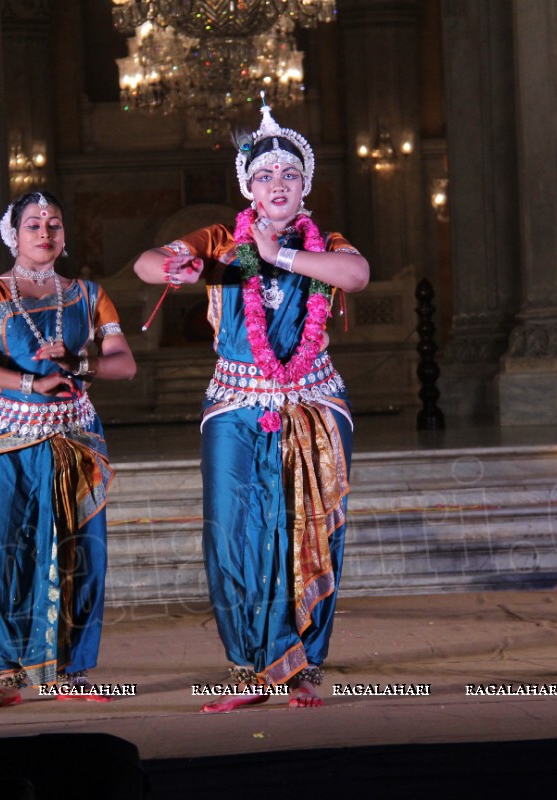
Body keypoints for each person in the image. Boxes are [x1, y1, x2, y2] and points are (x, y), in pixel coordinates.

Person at [133, 99, 369, 711]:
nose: (278, 184)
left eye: (289, 174)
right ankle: (249, 667)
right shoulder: (222, 240)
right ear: (249, 188)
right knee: (234, 534)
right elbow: (146, 263)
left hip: (313, 404)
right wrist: (180, 269)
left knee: (308, 531)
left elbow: (357, 274)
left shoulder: (324, 243)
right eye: (264, 176)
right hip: (236, 408)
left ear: (304, 183)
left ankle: (303, 668)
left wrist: (279, 257)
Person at [0, 191, 136, 709]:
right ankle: (8, 672)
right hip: (4, 435)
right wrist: (27, 385)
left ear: (65, 235)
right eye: (33, 224)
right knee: (3, 551)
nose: (45, 232)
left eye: (54, 223)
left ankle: (68, 671)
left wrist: (79, 365)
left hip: (72, 436)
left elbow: (123, 362)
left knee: (78, 551)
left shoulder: (88, 294)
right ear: (14, 234)